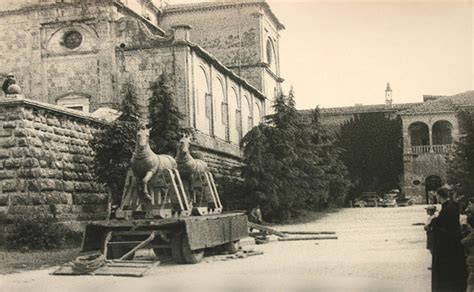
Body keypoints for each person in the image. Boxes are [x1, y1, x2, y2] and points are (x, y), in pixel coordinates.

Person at [431, 187, 467, 292]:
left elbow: (439, 225)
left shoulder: (447, 209)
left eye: (437, 195)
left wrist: (434, 220)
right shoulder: (453, 206)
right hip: (454, 243)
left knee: (445, 272)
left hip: (445, 245)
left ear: (439, 196)